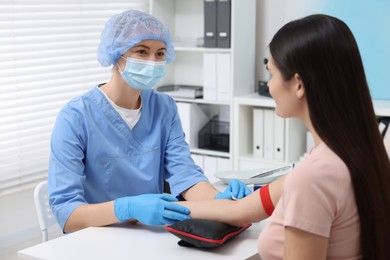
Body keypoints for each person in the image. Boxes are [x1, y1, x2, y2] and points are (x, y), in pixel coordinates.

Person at [177, 14, 390, 260]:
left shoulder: (314, 176)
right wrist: (169, 209)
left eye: (272, 74)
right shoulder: (358, 153)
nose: (269, 86)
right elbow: (242, 210)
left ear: (298, 84)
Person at [48, 9, 251, 233]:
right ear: (116, 55)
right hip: (97, 236)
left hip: (150, 233)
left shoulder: (164, 108)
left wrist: (219, 199)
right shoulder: (75, 117)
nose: (153, 62)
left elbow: (184, 174)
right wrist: (126, 208)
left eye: (160, 53)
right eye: (142, 51)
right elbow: (66, 213)